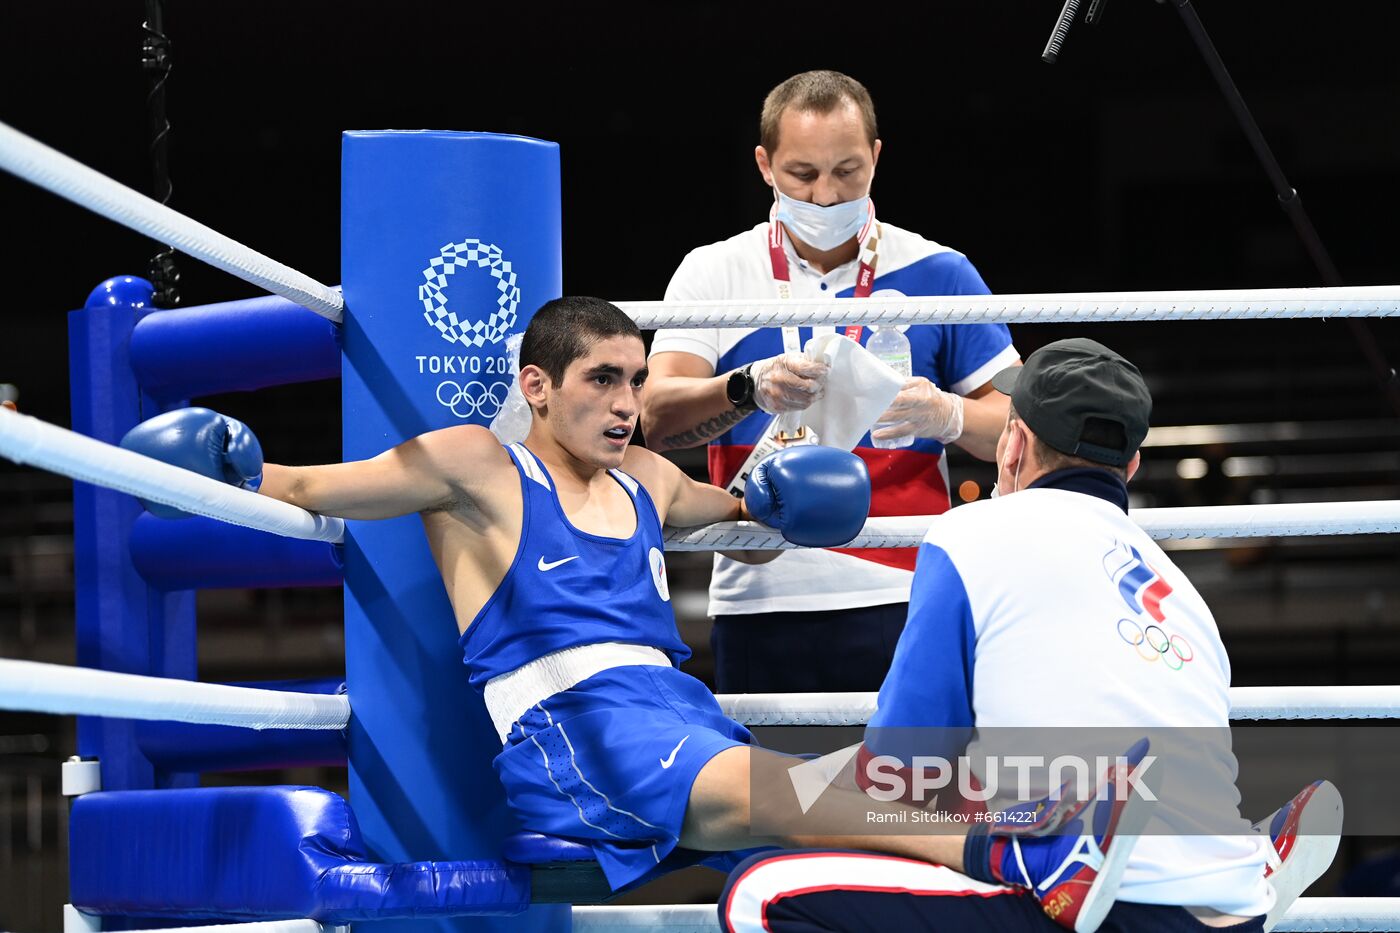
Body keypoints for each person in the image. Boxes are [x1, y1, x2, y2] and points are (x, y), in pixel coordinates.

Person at [123, 299, 1150, 932]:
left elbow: (753, 512)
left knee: (809, 864)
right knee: (812, 794)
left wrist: (790, 496)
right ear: (536, 387)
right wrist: (228, 466)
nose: (623, 401)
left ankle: (1035, 859)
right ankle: (1027, 845)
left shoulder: (648, 477)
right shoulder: (476, 465)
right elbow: (307, 487)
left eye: (632, 380)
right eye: (600, 381)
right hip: (578, 736)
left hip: (675, 713)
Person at [717, 339, 1343, 933]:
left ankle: (1053, 853)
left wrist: (778, 792)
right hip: (1221, 906)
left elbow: (902, 773)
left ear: (1012, 444)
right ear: (1131, 464)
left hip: (1099, 901)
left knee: (758, 889)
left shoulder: (971, 534)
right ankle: (1247, 862)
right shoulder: (1181, 589)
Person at [644, 69, 1020, 693]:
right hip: (758, 589)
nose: (824, 195)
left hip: (906, 586)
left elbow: (1023, 421)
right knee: (773, 792)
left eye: (847, 171)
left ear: (875, 156)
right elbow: (655, 416)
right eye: (803, 174)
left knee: (911, 793)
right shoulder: (711, 272)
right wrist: (747, 388)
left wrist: (950, 415)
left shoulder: (940, 270)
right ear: (765, 165)